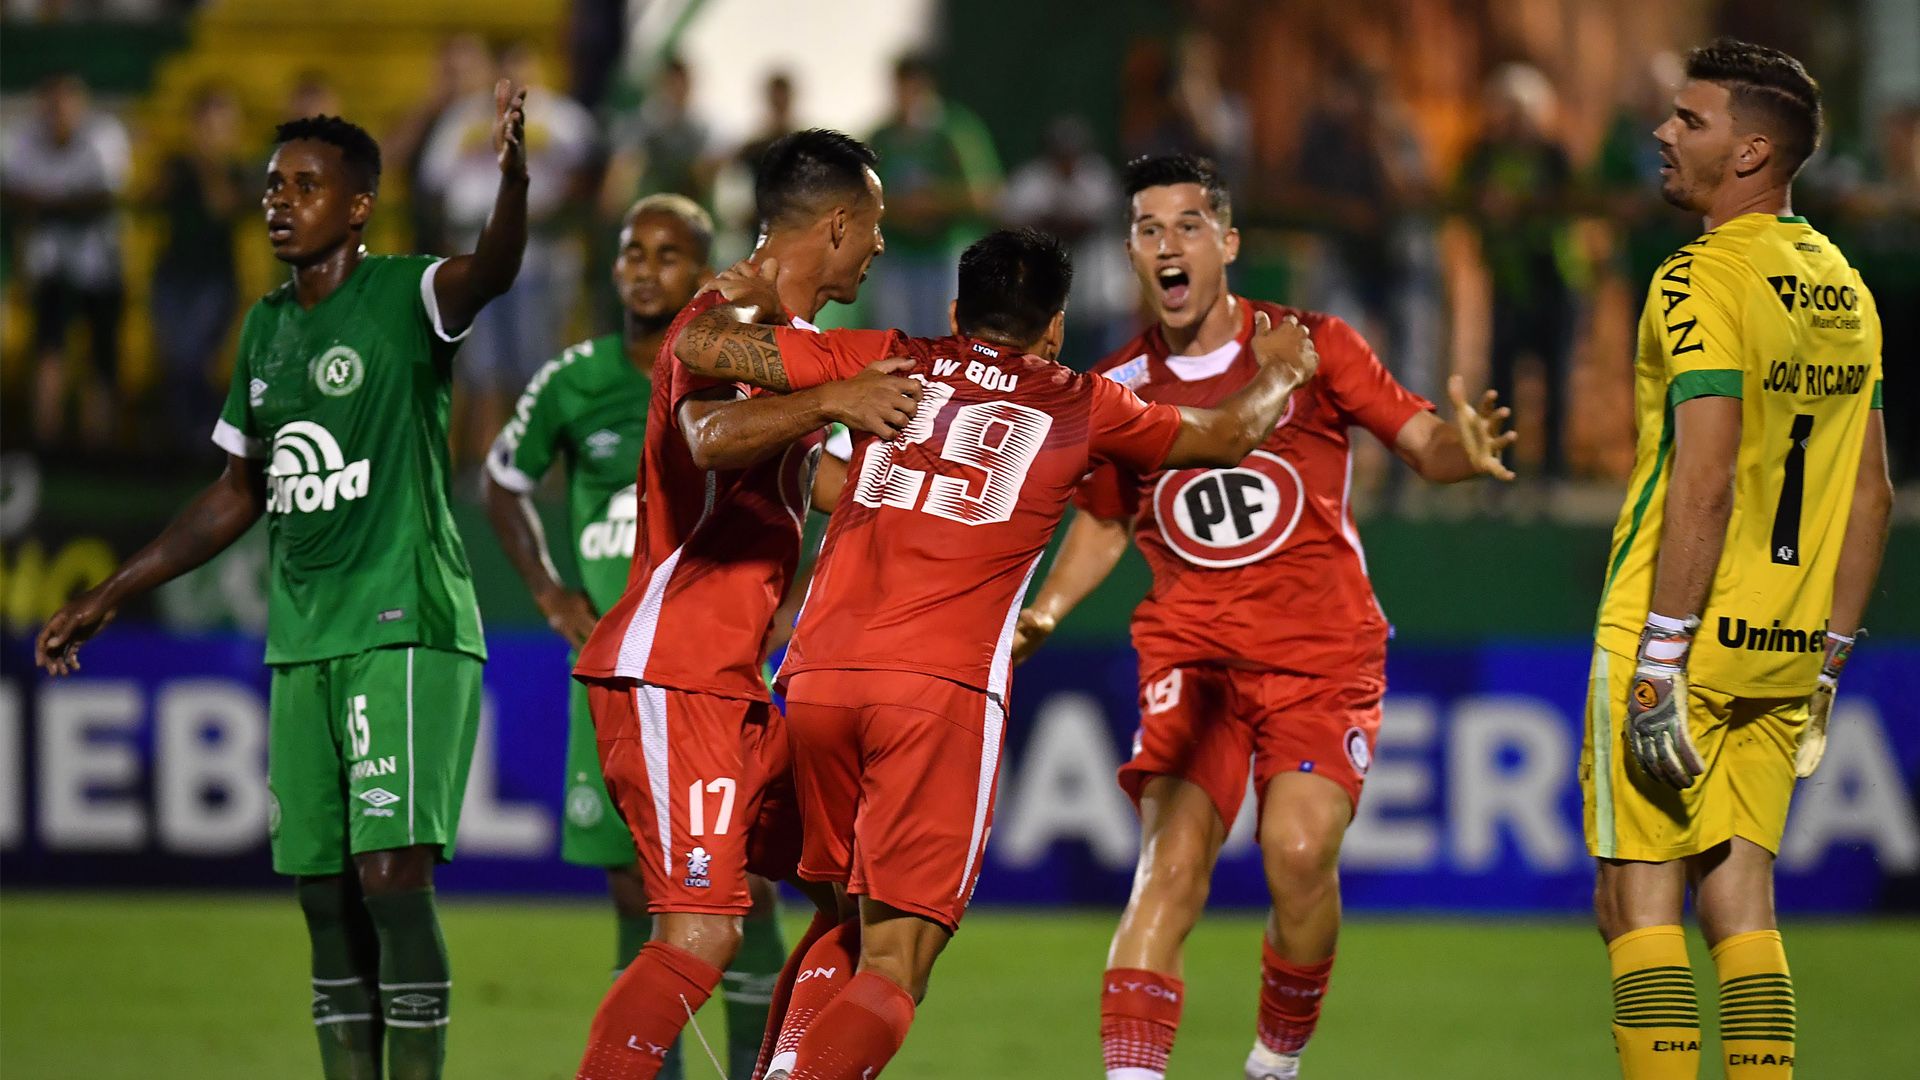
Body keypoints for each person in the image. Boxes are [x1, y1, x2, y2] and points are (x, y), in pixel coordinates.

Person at [671, 226, 1317, 1080]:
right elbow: (1227, 436)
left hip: (818, 678)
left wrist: (740, 296)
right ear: (1054, 328)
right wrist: (1283, 371)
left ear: (952, 310)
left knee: (844, 925)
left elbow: (702, 344)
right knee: (896, 967)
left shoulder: (884, 354)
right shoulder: (1081, 402)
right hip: (936, 693)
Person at [35, 91, 530, 1079]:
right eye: (272, 185)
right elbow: (236, 493)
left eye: (307, 186)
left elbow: (496, 269)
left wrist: (512, 177)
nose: (279, 201)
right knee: (320, 888)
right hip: (303, 638)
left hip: (404, 620)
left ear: (359, 207)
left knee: (390, 874)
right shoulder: (263, 332)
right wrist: (111, 590)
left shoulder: (406, 293)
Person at [1008, 154, 1517, 1080]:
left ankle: (1273, 1065)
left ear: (1228, 243)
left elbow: (1423, 441)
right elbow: (1106, 519)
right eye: (1149, 229)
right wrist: (1046, 610)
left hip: (1322, 655)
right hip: (1192, 660)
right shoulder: (1116, 385)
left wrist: (1463, 452)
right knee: (1168, 867)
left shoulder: (1318, 347)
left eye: (1189, 226)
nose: (1169, 245)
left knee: (1297, 850)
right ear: (1129, 250)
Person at [567, 128, 923, 1080]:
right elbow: (711, 434)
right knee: (699, 937)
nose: (882, 246)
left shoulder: (796, 344)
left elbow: (812, 483)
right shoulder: (724, 316)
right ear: (840, 225)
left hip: (737, 682)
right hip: (674, 664)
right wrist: (833, 403)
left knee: (847, 890)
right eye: (876, 225)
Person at [1583, 39, 1888, 1080]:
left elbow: (1702, 477)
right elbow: (1871, 493)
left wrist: (1661, 657)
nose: (1663, 134)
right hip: (1788, 644)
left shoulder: (1695, 278)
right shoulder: (1844, 286)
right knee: (1742, 895)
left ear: (1754, 152)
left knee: (1636, 900)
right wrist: (1830, 662)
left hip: (1680, 630)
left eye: (1690, 120)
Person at [482, 194, 785, 1080]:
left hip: (709, 664)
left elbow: (808, 495)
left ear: (701, 274)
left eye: (668, 254)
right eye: (632, 252)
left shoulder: (734, 381)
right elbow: (504, 482)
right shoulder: (574, 378)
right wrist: (549, 590)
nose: (645, 269)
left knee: (738, 886)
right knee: (635, 886)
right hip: (616, 669)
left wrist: (785, 611)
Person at [420, 42, 598, 464]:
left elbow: (589, 176)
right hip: (477, 259)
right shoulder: (465, 119)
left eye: (525, 65)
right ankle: (486, 471)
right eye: (509, 67)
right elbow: (433, 181)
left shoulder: (562, 119)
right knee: (483, 374)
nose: (518, 76)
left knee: (536, 368)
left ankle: (538, 468)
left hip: (539, 261)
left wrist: (551, 214)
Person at [1457, 63, 1579, 481]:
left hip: (1552, 278)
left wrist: (1521, 207)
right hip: (1507, 281)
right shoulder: (1484, 155)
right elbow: (1463, 195)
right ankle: (1501, 470)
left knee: (1555, 380)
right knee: (1501, 381)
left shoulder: (1553, 155)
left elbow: (1571, 201)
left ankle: (1553, 473)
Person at [2, 72, 130, 449]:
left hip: (100, 261)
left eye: (66, 102)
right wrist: (65, 203)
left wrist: (47, 203)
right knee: (48, 350)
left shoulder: (103, 136)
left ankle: (98, 443)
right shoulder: (23, 139)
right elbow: (12, 194)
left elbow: (104, 196)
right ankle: (47, 442)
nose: (59, 112)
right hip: (50, 263)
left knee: (100, 356)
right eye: (52, 103)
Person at [865, 53, 1001, 337]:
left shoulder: (954, 131)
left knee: (943, 336)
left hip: (944, 255)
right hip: (897, 257)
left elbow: (986, 194)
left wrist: (935, 202)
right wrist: (900, 210)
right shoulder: (883, 136)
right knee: (895, 337)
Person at [149, 85, 251, 450]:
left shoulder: (235, 169)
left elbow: (221, 207)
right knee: (176, 357)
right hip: (175, 273)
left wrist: (207, 163)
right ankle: (185, 435)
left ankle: (205, 434)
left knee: (196, 356)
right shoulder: (176, 164)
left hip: (213, 276)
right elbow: (153, 199)